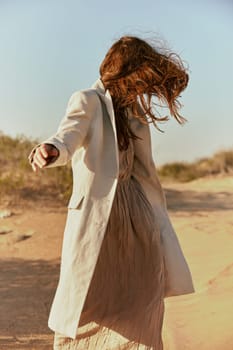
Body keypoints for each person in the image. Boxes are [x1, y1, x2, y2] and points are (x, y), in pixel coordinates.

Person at [28, 35, 195, 350]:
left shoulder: (134, 112)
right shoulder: (88, 99)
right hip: (99, 221)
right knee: (86, 307)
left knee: (144, 303)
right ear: (126, 72)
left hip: (138, 219)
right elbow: (68, 134)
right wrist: (51, 149)